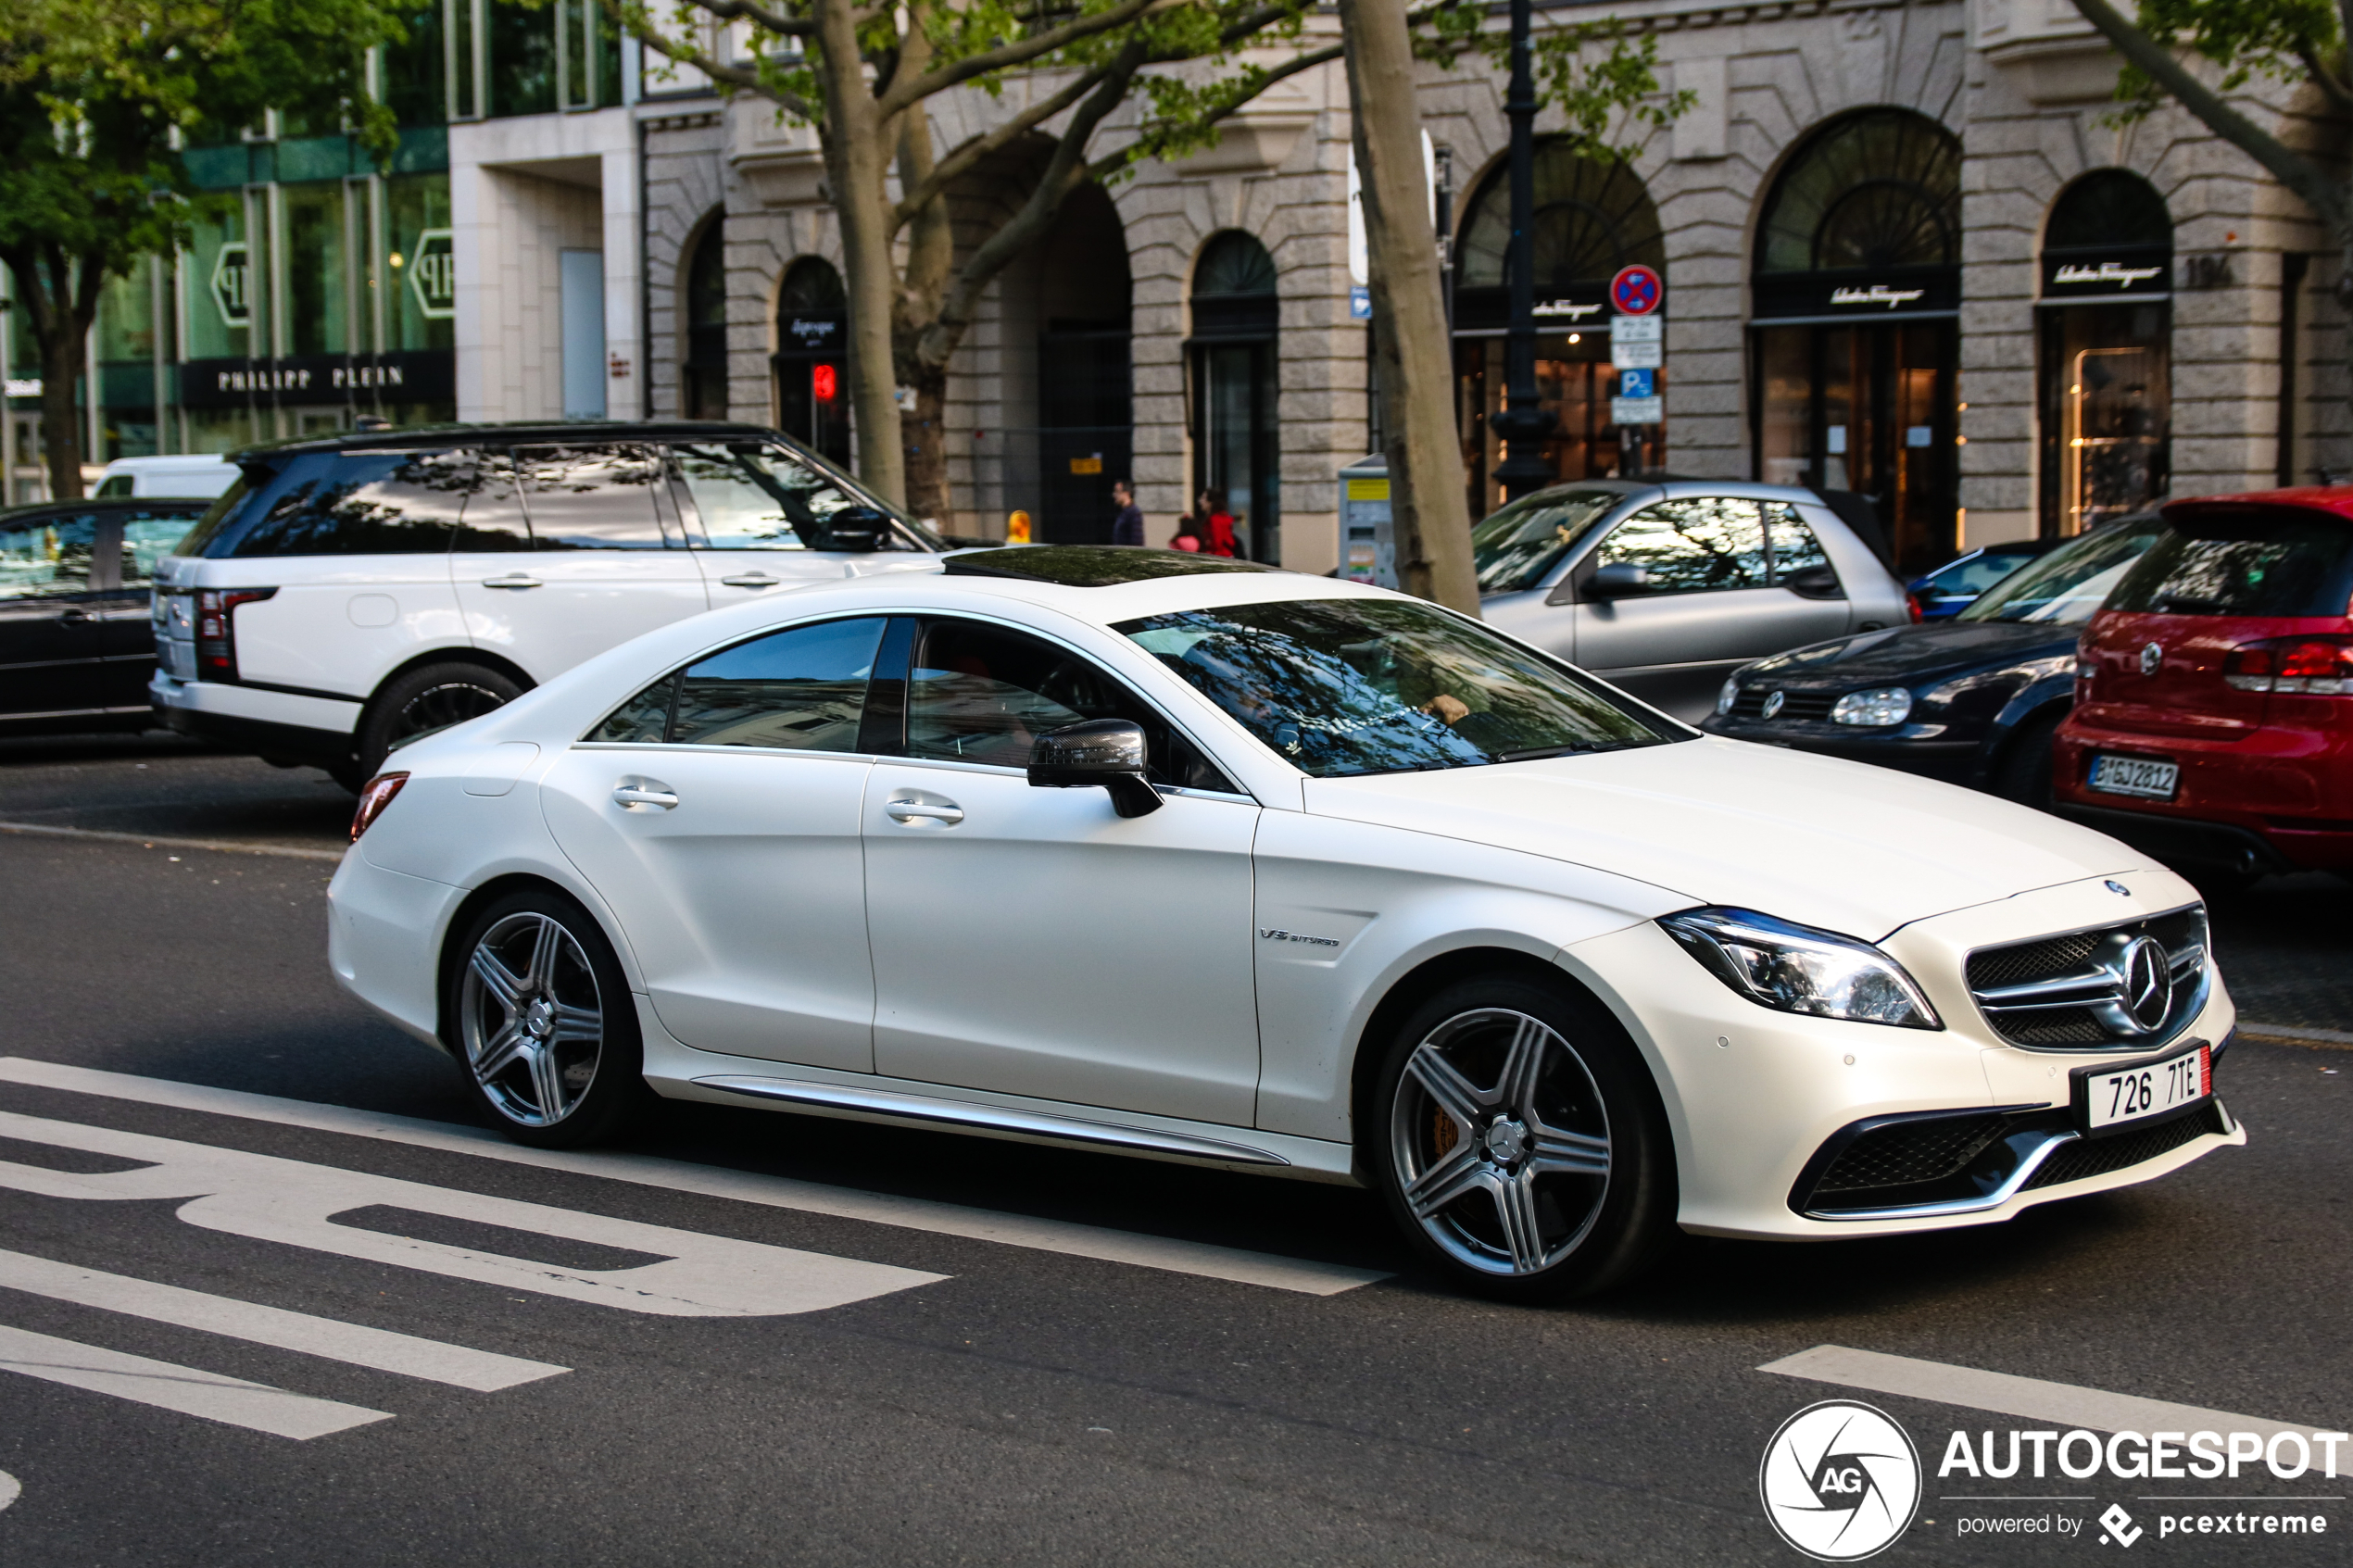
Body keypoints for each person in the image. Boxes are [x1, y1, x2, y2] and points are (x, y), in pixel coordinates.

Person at [1195, 488, 1238, 558]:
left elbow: (1216, 543)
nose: (1200, 501)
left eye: (1203, 498)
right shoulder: (1222, 517)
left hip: (1219, 557)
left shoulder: (1214, 520)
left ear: (1210, 502)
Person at [1109, 480, 1145, 546]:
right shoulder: (1123, 512)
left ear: (1126, 493)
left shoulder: (1134, 512)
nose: (1114, 495)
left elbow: (1137, 541)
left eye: (1117, 492)